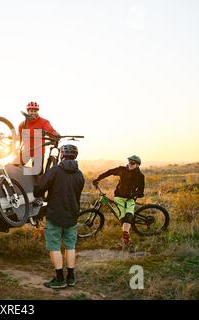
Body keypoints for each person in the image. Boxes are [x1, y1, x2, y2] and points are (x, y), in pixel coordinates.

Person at [33, 144, 84, 289]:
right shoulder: (80, 174)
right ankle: (71, 277)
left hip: (55, 215)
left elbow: (39, 188)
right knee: (70, 246)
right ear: (75, 156)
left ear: (61, 155)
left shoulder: (55, 171)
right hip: (72, 215)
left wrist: (41, 194)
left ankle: (60, 278)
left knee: (54, 247)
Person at [92, 155, 145, 249]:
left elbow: (141, 190)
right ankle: (127, 239)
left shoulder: (140, 176)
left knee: (128, 216)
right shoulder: (122, 169)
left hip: (130, 199)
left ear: (137, 165)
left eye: (132, 163)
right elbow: (109, 172)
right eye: (129, 162)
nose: (129, 164)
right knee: (123, 217)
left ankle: (125, 240)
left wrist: (133, 195)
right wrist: (98, 179)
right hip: (119, 197)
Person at [19, 101, 59, 206]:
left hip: (38, 150)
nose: (33, 113)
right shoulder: (22, 125)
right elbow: (19, 138)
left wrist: (56, 135)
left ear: (38, 112)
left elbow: (50, 131)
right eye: (31, 111)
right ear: (28, 111)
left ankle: (39, 198)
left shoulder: (43, 122)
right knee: (15, 168)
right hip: (26, 151)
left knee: (37, 173)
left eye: (35, 111)